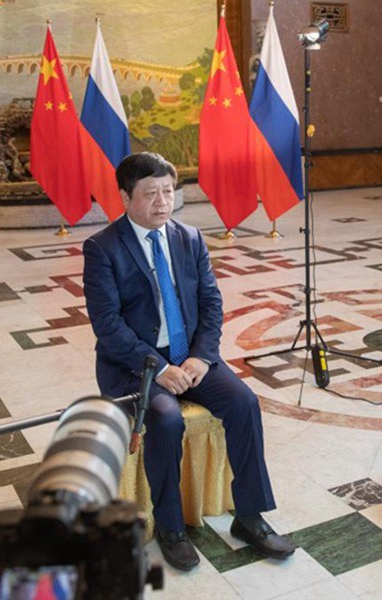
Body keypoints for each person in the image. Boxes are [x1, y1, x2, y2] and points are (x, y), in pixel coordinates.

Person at [83, 152, 295, 571]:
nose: (162, 202)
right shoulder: (102, 248)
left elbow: (211, 303)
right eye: (150, 193)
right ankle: (170, 527)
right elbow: (107, 325)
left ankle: (249, 516)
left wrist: (201, 355)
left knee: (244, 403)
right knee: (166, 419)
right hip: (135, 365)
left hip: (190, 355)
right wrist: (160, 369)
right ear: (125, 197)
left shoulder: (189, 237)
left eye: (168, 191)